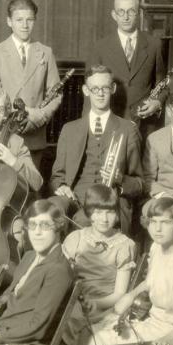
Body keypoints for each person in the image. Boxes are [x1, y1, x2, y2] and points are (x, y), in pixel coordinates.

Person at [92, 197, 173, 345]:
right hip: (152, 320)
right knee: (92, 330)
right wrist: (130, 295)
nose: (157, 229)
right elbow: (151, 281)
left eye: (165, 222)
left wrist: (171, 337)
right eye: (153, 222)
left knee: (100, 343)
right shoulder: (157, 247)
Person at [0, 200, 75, 345]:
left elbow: (38, 327)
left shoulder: (58, 269)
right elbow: (8, 298)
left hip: (27, 344)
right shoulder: (29, 256)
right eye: (32, 225)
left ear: (58, 228)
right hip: (5, 328)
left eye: (45, 225)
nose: (37, 232)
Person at [49, 65, 144, 231]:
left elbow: (140, 184)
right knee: (51, 209)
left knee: (83, 220)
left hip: (108, 201)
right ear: (86, 90)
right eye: (95, 88)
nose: (100, 93)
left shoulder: (128, 129)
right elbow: (57, 177)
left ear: (113, 89)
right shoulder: (69, 129)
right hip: (75, 198)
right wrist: (61, 187)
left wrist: (120, 179)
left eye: (105, 88)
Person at [0, 0, 63, 167]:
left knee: (31, 186)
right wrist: (18, 118)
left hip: (35, 134)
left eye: (30, 20)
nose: (25, 25)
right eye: (19, 20)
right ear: (9, 21)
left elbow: (55, 95)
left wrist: (37, 117)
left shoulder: (45, 53)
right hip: (6, 134)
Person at [60, 184, 136, 344]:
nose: (104, 218)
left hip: (103, 306)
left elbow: (119, 293)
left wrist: (92, 303)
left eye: (110, 212)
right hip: (74, 300)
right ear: (89, 213)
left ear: (117, 215)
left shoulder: (124, 245)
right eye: (98, 212)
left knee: (73, 318)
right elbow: (61, 277)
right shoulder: (76, 238)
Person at [88, 0, 166, 136]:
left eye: (131, 11)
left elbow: (163, 85)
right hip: (110, 124)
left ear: (139, 14)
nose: (126, 17)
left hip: (144, 125)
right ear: (114, 15)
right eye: (121, 12)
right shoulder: (100, 47)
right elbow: (90, 93)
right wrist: (90, 130)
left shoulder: (154, 45)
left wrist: (157, 103)